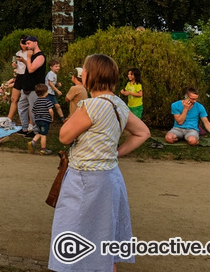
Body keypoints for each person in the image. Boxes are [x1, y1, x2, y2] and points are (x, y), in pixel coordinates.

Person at [49, 54, 150, 271]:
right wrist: (116, 152)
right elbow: (143, 132)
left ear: (91, 75)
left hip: (85, 181)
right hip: (110, 177)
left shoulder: (92, 106)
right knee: (104, 237)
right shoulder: (119, 104)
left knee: (74, 235)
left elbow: (64, 136)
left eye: (83, 71)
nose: (81, 74)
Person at [16, 36, 45, 138]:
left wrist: (28, 58)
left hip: (35, 87)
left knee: (34, 109)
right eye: (26, 44)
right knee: (21, 106)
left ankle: (36, 131)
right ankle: (24, 128)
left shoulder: (40, 56)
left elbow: (31, 69)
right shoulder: (31, 55)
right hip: (26, 86)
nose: (27, 46)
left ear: (35, 43)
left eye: (28, 43)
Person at [5, 38, 28, 123]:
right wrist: (15, 65)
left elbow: (30, 66)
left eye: (24, 43)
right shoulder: (18, 53)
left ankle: (29, 122)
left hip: (27, 76)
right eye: (21, 43)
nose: (23, 45)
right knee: (14, 98)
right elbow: (18, 65)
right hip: (19, 76)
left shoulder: (30, 53)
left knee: (27, 100)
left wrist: (23, 61)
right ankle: (9, 118)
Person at [27, 84, 53, 155]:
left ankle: (33, 142)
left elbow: (33, 111)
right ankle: (43, 149)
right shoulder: (48, 101)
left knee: (39, 132)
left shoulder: (36, 102)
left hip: (38, 120)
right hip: (45, 120)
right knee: (44, 135)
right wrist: (52, 117)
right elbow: (50, 110)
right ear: (45, 92)